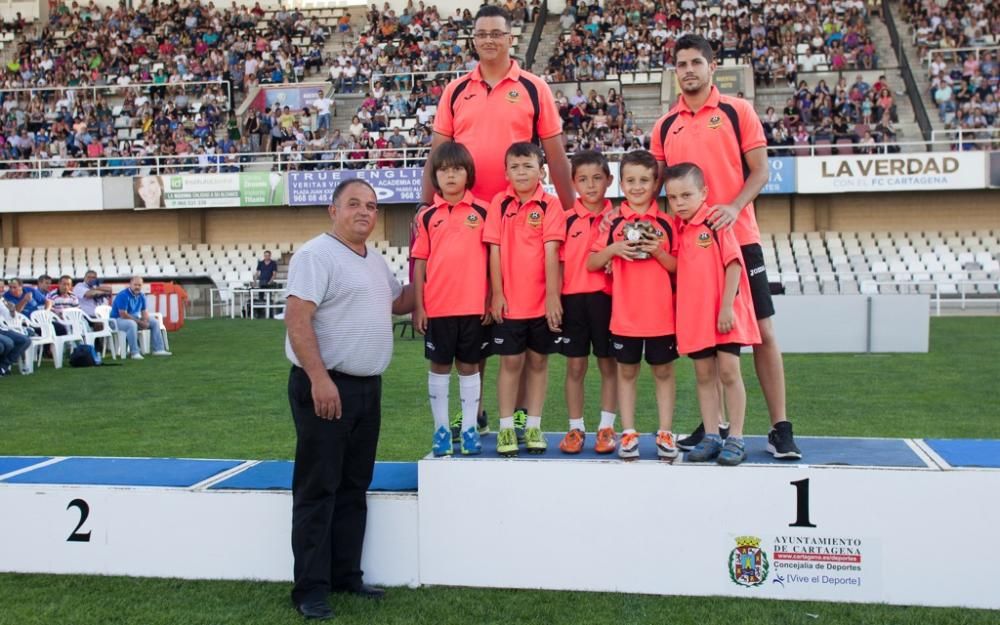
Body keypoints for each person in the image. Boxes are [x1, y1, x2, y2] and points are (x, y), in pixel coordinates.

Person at [421, 4, 576, 437]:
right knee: (479, 317)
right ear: (473, 39)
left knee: (521, 315)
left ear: (511, 38)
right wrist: (424, 207)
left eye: (497, 33)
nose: (489, 39)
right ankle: (477, 412)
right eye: (481, 33)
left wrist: (570, 211)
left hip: (521, 219)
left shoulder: (533, 88)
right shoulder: (454, 91)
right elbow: (437, 156)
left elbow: (557, 155)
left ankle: (524, 413)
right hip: (471, 222)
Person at [649, 33, 801, 459]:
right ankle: (714, 427)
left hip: (739, 239)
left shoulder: (738, 112)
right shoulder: (664, 126)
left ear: (712, 66)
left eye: (697, 62)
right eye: (681, 64)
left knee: (762, 334)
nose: (689, 70)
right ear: (675, 71)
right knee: (704, 337)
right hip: (691, 249)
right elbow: (661, 189)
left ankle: (779, 427)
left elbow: (759, 172)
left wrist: (733, 208)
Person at [284, 179, 414, 621]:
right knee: (318, 488)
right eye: (354, 204)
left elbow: (401, 302)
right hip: (326, 384)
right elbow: (297, 319)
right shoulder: (316, 256)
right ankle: (310, 590)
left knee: (354, 486)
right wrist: (319, 379)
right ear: (332, 209)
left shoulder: (374, 261)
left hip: (366, 387)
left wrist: (435, 263)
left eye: (372, 206)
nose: (364, 212)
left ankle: (345, 575)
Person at [666, 163, 761, 466]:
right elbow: (681, 269)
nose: (679, 203)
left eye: (686, 195)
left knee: (729, 371)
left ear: (703, 193)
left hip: (723, 316)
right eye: (673, 197)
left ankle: (736, 437)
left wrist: (725, 307)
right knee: (704, 375)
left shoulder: (715, 222)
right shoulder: (678, 229)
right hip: (696, 318)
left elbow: (733, 264)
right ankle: (711, 435)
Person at [587, 150, 678, 461]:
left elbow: (678, 266)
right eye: (630, 180)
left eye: (644, 180)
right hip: (624, 316)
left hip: (661, 317)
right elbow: (591, 262)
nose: (637, 186)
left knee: (663, 372)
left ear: (656, 184)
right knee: (626, 373)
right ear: (621, 185)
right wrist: (614, 249)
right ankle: (628, 432)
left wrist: (658, 253)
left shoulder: (667, 223)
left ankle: (666, 431)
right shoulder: (611, 222)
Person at [484, 142, 565, 456]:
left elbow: (552, 253)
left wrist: (552, 298)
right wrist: (497, 293)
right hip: (510, 303)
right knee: (510, 362)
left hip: (541, 303)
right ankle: (506, 428)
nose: (521, 172)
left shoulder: (550, 205)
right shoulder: (499, 203)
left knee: (538, 362)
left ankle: (533, 425)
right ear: (506, 172)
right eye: (515, 167)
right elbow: (495, 250)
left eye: (528, 166)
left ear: (541, 171)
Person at [411, 142, 490, 457]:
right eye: (443, 170)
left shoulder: (483, 211)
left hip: (473, 306)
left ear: (468, 174)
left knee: (470, 366)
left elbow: (492, 259)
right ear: (435, 176)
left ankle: (469, 429)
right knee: (440, 366)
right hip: (438, 307)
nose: (451, 175)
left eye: (457, 169)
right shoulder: (427, 216)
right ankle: (441, 431)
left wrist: (491, 296)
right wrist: (419, 305)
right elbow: (420, 262)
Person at [557, 151, 618, 455]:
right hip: (573, 301)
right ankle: (575, 427)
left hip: (608, 301)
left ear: (609, 180)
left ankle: (606, 427)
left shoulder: (620, 219)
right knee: (576, 366)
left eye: (597, 178)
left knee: (609, 364)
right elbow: (556, 263)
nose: (591, 185)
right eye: (583, 179)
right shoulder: (565, 220)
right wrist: (554, 300)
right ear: (573, 183)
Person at [110, 276, 172, 359]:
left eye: (139, 285)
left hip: (133, 318)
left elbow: (144, 311)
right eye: (135, 285)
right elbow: (123, 314)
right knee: (132, 324)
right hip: (116, 320)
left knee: (154, 322)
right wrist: (140, 322)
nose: (137, 287)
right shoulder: (123, 295)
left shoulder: (141, 295)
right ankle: (134, 352)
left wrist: (145, 320)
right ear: (130, 284)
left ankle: (158, 349)